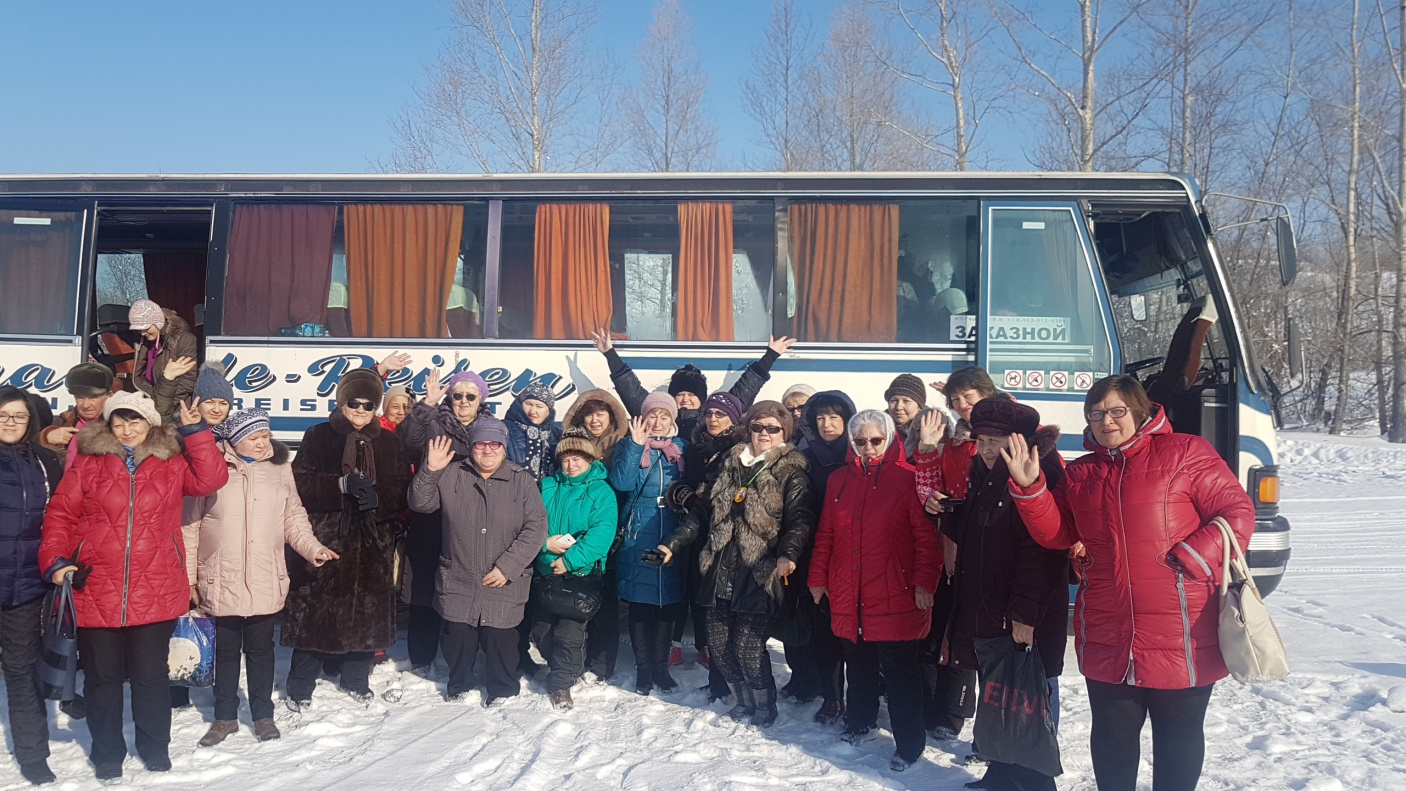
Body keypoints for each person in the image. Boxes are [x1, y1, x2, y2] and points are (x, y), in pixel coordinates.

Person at [1004, 375, 1256, 791]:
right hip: (1108, 627)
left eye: (1117, 410)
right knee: (1112, 738)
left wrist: (1191, 559)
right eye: (1096, 413)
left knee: (1177, 736)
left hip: (1181, 626)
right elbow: (1058, 534)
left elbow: (1237, 512)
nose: (1106, 421)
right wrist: (1032, 488)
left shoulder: (1186, 452)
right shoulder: (1081, 473)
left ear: (1139, 411)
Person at [39, 391, 227, 782]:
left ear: (150, 423)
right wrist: (55, 561)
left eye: (135, 420)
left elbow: (212, 478)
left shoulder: (170, 462)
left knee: (151, 677)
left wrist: (195, 430)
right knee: (102, 679)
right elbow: (60, 515)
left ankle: (155, 747)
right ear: (109, 425)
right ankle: (107, 752)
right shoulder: (88, 462)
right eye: (119, 421)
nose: (127, 429)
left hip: (156, 586)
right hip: (95, 586)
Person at [182, 409, 338, 746]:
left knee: (261, 650)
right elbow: (190, 526)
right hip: (221, 575)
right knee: (225, 652)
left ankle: (263, 715)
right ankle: (224, 717)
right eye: (253, 437)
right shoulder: (212, 469)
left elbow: (293, 516)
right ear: (235, 440)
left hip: (265, 574)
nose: (262, 443)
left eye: (265, 435)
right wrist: (189, 578)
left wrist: (312, 548)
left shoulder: (279, 468)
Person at [937, 398, 1067, 791]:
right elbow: (981, 533)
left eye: (997, 441)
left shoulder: (1040, 472)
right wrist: (944, 512)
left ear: (1021, 440)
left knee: (1029, 700)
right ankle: (1000, 774)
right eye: (982, 441)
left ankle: (1038, 782)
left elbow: (1041, 551)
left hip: (1023, 614)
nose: (988, 449)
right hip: (991, 609)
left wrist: (1025, 614)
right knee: (997, 697)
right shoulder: (984, 472)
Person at [660, 401, 813, 726]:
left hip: (760, 570)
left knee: (747, 647)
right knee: (718, 644)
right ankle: (743, 702)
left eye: (772, 428)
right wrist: (673, 542)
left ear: (784, 433)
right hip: (720, 567)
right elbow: (702, 513)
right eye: (758, 427)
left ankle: (765, 707)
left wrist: (788, 554)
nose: (764, 434)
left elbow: (799, 519)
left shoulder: (792, 472)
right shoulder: (730, 465)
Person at [808, 410, 940, 773]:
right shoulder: (839, 480)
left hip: (895, 591)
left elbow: (926, 538)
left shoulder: (908, 477)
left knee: (900, 673)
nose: (868, 448)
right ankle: (860, 721)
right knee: (858, 663)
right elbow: (826, 533)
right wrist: (818, 577)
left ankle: (909, 743)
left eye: (876, 440)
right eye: (861, 441)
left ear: (889, 438)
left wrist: (925, 583)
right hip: (849, 590)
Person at [283, 369, 411, 709]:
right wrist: (340, 486)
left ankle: (356, 679)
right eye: (354, 403)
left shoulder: (389, 442)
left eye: (368, 405)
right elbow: (300, 483)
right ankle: (300, 686)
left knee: (367, 612)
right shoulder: (318, 435)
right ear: (342, 403)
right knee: (315, 612)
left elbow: (402, 486)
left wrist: (379, 500)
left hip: (372, 541)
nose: (361, 410)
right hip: (328, 536)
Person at [409, 420, 547, 706]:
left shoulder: (521, 480)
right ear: (471, 447)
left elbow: (536, 528)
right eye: (481, 443)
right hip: (459, 573)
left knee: (501, 638)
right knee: (458, 636)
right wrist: (430, 470)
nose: (487, 450)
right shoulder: (451, 473)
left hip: (503, 579)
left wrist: (508, 566)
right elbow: (420, 503)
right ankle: (460, 685)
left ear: (504, 448)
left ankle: (503, 689)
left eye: (494, 444)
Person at [913, 367, 999, 743]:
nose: (962, 404)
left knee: (983, 641)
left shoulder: (1010, 434)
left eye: (969, 396)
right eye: (955, 399)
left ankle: (972, 719)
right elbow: (930, 487)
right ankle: (943, 708)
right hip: (953, 550)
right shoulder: (953, 443)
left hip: (994, 551)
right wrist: (930, 493)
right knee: (948, 631)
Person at [397, 369, 491, 672]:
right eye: (457, 395)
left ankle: (458, 655)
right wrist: (426, 404)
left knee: (461, 586)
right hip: (430, 514)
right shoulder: (434, 421)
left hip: (470, 518)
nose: (463, 401)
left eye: (470, 396)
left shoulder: (490, 429)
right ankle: (421, 657)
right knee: (424, 585)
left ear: (480, 400)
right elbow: (406, 441)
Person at [0, 387, 65, 785]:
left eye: (19, 416)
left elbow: (60, 517)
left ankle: (33, 754)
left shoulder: (45, 461)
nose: (10, 422)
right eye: (3, 415)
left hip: (23, 587)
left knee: (22, 670)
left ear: (30, 422)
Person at [667, 391, 748, 700]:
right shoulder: (697, 447)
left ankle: (727, 680)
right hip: (696, 532)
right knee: (703, 603)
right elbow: (686, 485)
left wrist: (701, 498)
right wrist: (683, 494)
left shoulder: (739, 449)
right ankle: (717, 679)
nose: (713, 419)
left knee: (721, 611)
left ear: (734, 419)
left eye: (721, 414)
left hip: (726, 538)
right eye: (710, 413)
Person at [531, 428, 617, 710]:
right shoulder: (547, 486)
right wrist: (544, 548)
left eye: (578, 458)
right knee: (542, 632)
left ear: (590, 459)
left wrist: (568, 561)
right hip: (545, 570)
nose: (571, 464)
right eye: (566, 459)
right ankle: (568, 668)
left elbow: (601, 534)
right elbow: (530, 524)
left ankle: (561, 684)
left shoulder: (601, 491)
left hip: (580, 573)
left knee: (569, 633)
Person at [610, 392, 687, 695]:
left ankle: (660, 667)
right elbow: (622, 483)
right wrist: (634, 445)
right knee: (640, 602)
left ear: (672, 420)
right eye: (652, 415)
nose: (657, 422)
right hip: (639, 530)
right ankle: (644, 668)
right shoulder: (629, 445)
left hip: (672, 531)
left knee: (667, 601)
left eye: (664, 416)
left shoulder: (682, 449)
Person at [590, 327, 794, 438]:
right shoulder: (659, 415)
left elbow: (745, 389)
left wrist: (770, 356)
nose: (685, 399)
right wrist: (610, 354)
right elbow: (630, 389)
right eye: (680, 395)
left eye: (691, 395)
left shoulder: (712, 417)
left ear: (701, 399)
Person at [560, 389, 631, 681]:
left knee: (605, 601)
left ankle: (602, 663)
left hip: (610, 530)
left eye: (601, 413)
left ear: (611, 416)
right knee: (573, 601)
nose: (595, 419)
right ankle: (575, 659)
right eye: (589, 414)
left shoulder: (624, 444)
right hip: (574, 531)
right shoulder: (569, 445)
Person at [797, 390, 857, 725]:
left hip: (855, 553)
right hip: (816, 551)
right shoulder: (804, 458)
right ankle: (831, 696)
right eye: (820, 418)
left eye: (834, 417)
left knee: (856, 634)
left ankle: (863, 696)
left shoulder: (859, 453)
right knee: (823, 630)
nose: (827, 424)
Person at [127, 299, 198, 421]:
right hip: (154, 404)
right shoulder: (143, 343)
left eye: (145, 327)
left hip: (176, 409)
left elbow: (188, 381)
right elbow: (140, 378)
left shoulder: (185, 340)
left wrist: (162, 404)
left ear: (158, 322)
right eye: (138, 329)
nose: (142, 333)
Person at [40, 362, 115, 467]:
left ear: (110, 395)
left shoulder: (119, 424)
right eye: (80, 397)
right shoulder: (65, 420)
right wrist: (45, 437)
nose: (85, 405)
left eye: (93, 397)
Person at [504, 382, 562, 482]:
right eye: (528, 404)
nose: (532, 411)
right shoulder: (503, 429)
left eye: (539, 406)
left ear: (549, 410)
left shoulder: (557, 436)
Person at [884, 373, 928, 460]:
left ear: (919, 406)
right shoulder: (878, 428)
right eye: (894, 400)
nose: (898, 407)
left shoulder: (933, 430)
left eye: (906, 401)